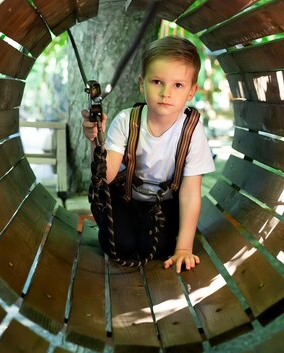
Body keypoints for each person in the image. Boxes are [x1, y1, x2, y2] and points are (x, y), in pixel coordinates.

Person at [81, 36, 215, 273]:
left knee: (162, 248)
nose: (166, 93)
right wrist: (96, 140)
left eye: (178, 85)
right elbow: (107, 176)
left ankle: (161, 238)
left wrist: (184, 248)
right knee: (118, 245)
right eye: (157, 82)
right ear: (142, 84)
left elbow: (191, 190)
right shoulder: (126, 121)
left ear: (192, 91)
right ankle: (129, 231)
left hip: (165, 204)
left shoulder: (192, 130)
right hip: (127, 199)